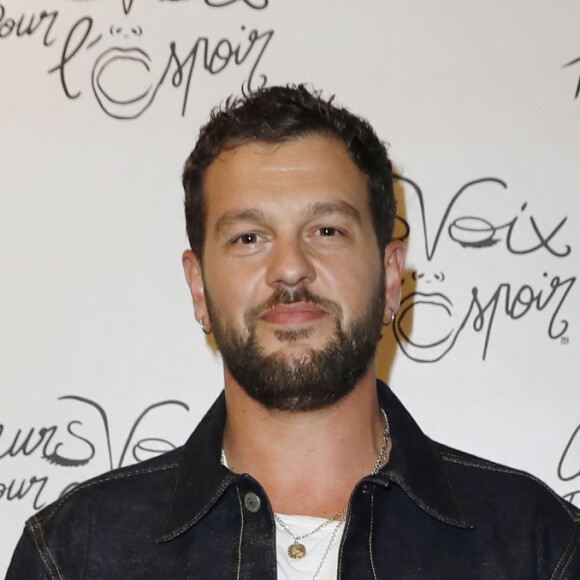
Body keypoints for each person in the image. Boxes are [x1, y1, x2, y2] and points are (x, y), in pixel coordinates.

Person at [7, 85, 579, 579]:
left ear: (388, 278)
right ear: (199, 288)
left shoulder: (540, 548)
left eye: (326, 229)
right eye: (249, 237)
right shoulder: (75, 556)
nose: (289, 267)